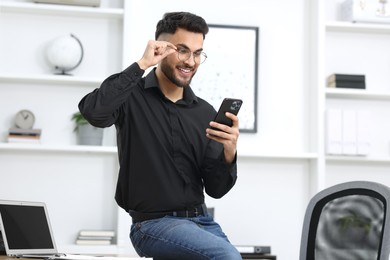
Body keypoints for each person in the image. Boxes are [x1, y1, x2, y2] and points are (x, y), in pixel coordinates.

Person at [78, 11, 242, 260]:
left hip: (202, 221)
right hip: (152, 226)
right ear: (162, 48)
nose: (191, 61)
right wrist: (142, 65)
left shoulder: (204, 112)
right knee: (226, 258)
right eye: (182, 50)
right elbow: (94, 112)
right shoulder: (131, 97)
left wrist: (229, 152)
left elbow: (216, 189)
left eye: (197, 53)